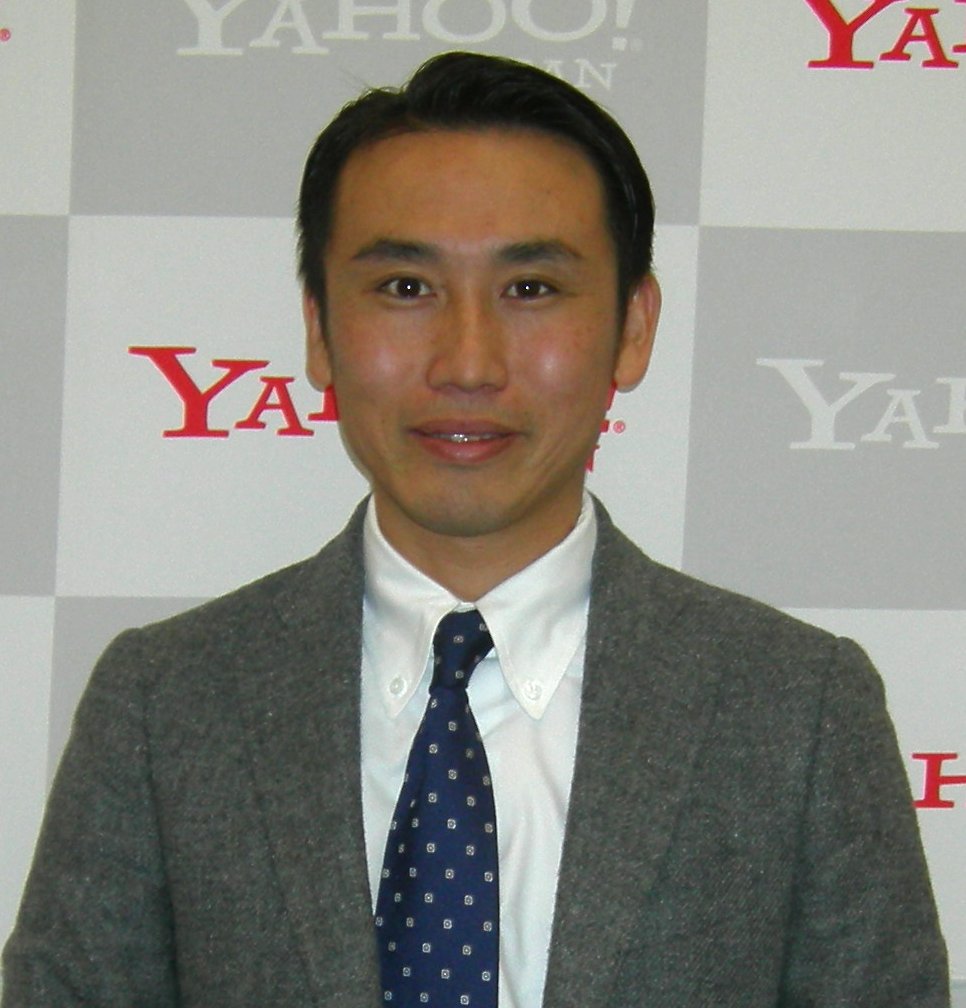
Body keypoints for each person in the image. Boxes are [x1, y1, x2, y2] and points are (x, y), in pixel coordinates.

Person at [2, 51, 948, 1008]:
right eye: (405, 288)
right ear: (320, 330)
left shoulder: (796, 710)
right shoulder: (167, 704)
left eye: (530, 288)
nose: (467, 362)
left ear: (632, 326)